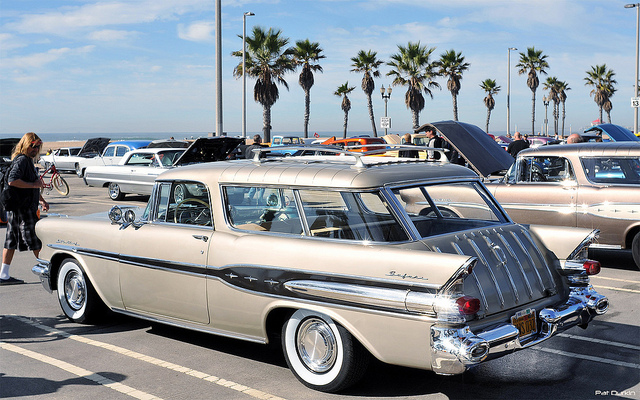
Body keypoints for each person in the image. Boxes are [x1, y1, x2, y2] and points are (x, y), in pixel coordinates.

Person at [1, 132, 50, 285]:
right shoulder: (22, 160)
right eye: (32, 146)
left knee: (11, 241)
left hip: (18, 208)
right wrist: (34, 185)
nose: (35, 149)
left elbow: (30, 185)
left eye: (37, 147)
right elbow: (13, 180)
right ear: (25, 145)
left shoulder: (26, 160)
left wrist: (42, 200)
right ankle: (48, 271)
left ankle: (3, 275)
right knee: (35, 240)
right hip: (24, 209)